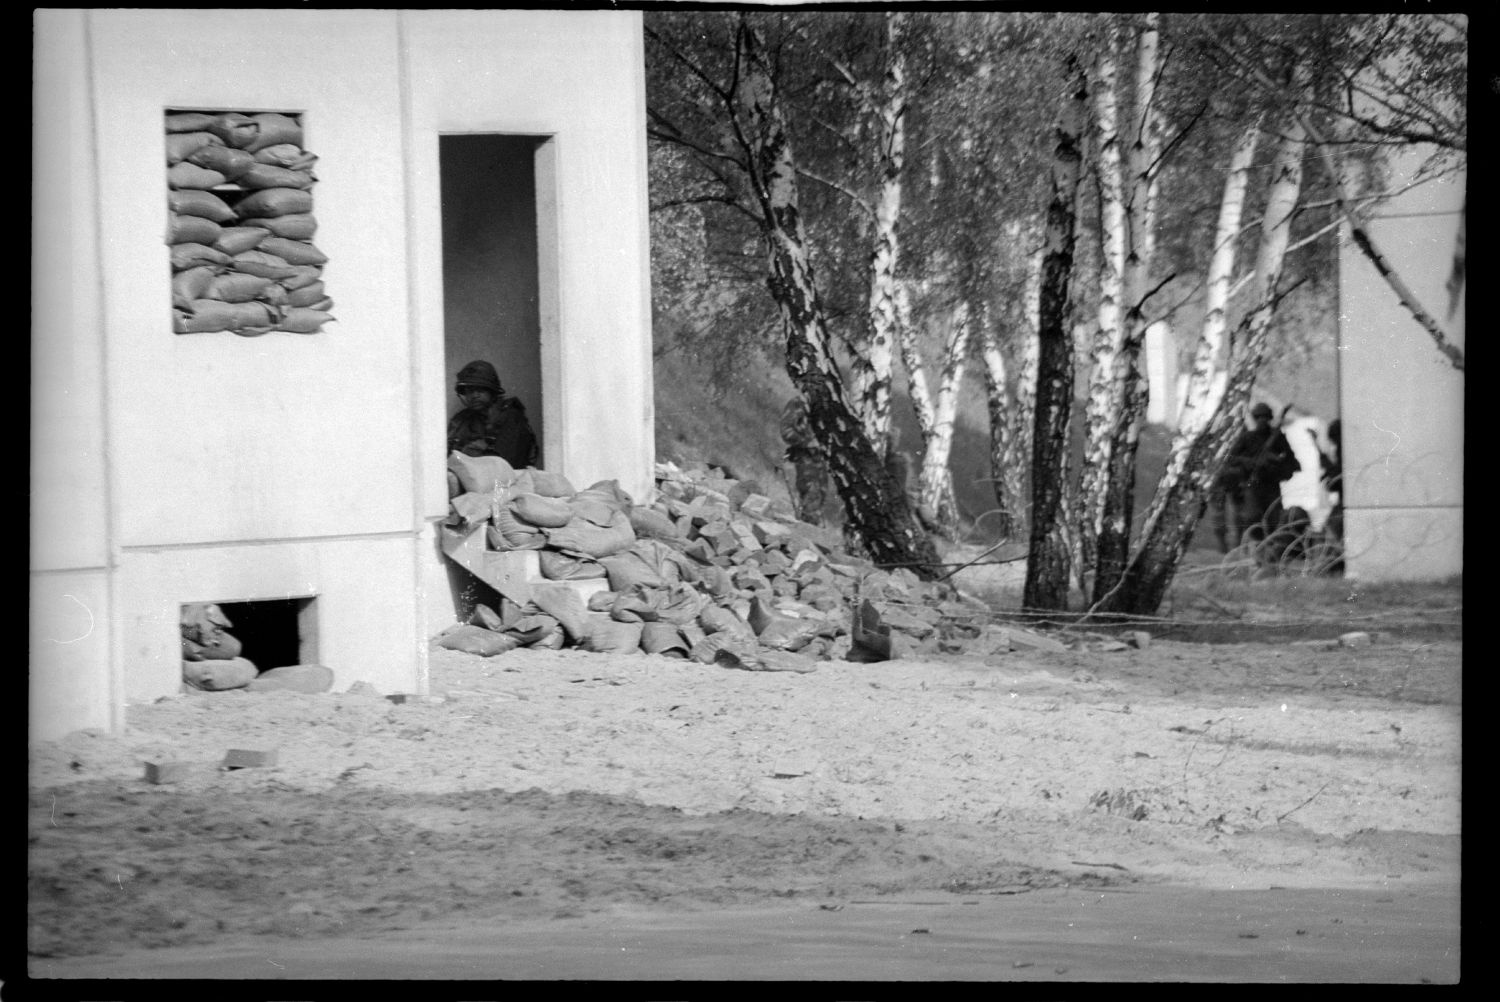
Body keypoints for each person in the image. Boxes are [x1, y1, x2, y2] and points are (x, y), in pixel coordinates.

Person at [1214, 401, 1301, 552]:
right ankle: (1253, 548)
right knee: (1252, 518)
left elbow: (1292, 461)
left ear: (1269, 419)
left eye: (1265, 417)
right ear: (1255, 419)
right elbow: (1230, 458)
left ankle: (1271, 552)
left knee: (1274, 520)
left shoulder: (1277, 437)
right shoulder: (1247, 438)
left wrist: (1278, 463)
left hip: (1272, 485)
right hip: (1253, 484)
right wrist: (1249, 462)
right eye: (1259, 417)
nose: (1262, 421)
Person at [447, 359, 539, 469]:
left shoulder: (510, 417)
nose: (475, 395)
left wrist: (475, 453)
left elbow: (507, 465)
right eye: (470, 391)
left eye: (480, 390)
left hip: (503, 483)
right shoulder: (460, 421)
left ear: (492, 391)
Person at [779, 396, 829, 526]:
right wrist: (806, 443)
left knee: (820, 496)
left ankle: (810, 533)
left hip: (820, 459)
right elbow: (786, 431)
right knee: (810, 495)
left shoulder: (827, 402)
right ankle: (806, 532)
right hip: (806, 458)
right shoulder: (798, 403)